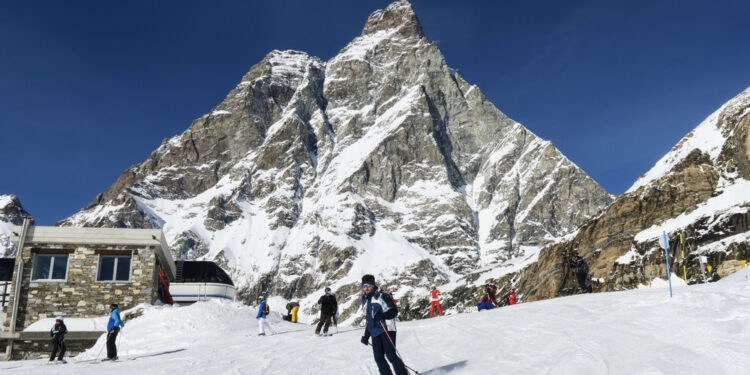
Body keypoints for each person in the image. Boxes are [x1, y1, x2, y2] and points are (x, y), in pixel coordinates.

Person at [360, 274, 407, 375]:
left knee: (391, 356)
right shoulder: (365, 299)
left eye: (368, 285)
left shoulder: (381, 295)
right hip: (375, 332)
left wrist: (382, 315)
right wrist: (366, 335)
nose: (366, 288)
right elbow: (369, 319)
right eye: (364, 286)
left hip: (386, 329)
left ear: (373, 285)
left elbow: (393, 311)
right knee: (379, 358)